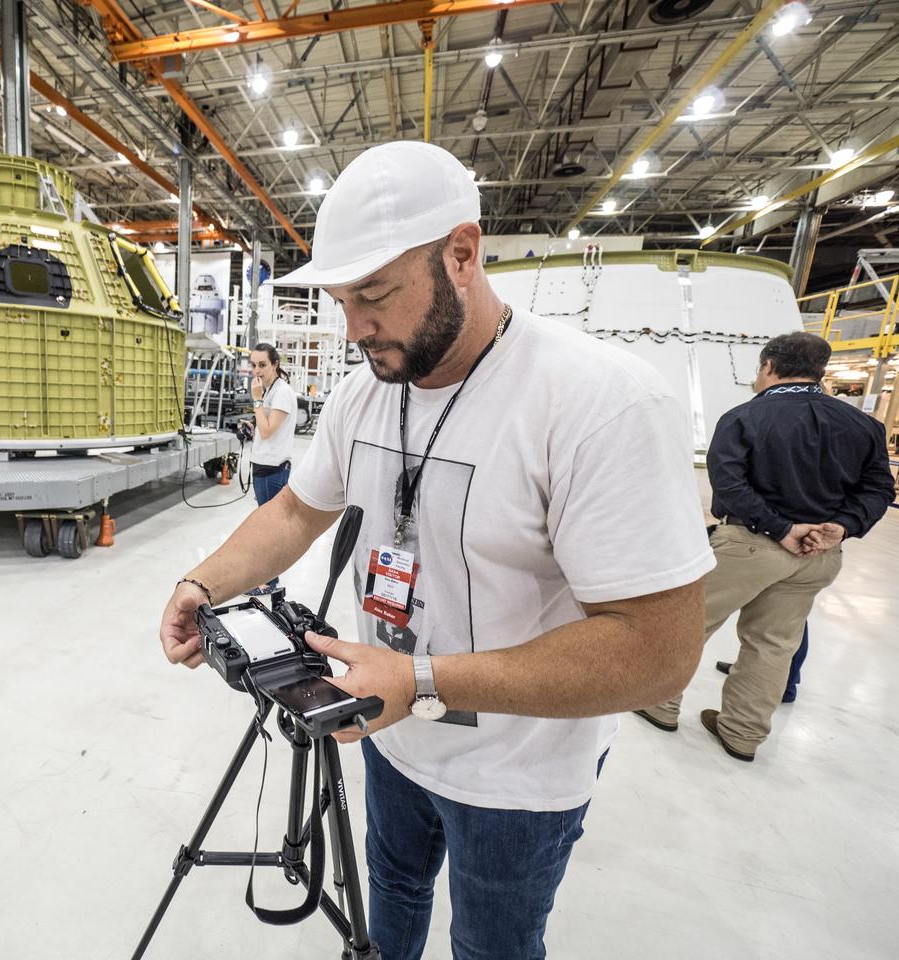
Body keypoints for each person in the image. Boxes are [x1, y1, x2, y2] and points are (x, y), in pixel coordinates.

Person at [159, 141, 715, 960]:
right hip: (387, 734)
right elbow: (293, 517)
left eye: (374, 295)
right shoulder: (363, 394)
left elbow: (659, 651)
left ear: (462, 253)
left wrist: (420, 681)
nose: (355, 328)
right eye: (342, 299)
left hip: (518, 777)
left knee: (492, 943)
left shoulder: (600, 402)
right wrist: (199, 582)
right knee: (393, 897)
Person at [635, 332, 895, 760]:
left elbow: (730, 485)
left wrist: (780, 527)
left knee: (685, 624)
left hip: (749, 546)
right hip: (818, 556)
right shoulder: (864, 426)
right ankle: (741, 733)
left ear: (768, 366)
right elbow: (878, 489)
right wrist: (840, 527)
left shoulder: (745, 418)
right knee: (774, 644)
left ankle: (659, 703)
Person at [246, 342, 298, 595]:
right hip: (263, 466)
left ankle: (269, 582)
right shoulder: (269, 391)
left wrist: (256, 402)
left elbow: (267, 431)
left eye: (263, 365)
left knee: (270, 529)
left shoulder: (281, 393)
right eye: (253, 365)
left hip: (273, 470)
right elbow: (264, 429)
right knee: (265, 526)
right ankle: (265, 578)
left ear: (275, 364)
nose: (257, 370)